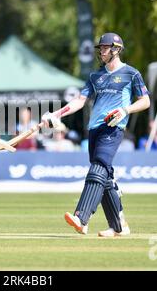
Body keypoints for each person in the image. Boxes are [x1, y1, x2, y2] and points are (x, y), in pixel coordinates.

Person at [42, 32, 150, 237]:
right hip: (94, 129)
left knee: (98, 168)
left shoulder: (131, 73)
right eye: (100, 48)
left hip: (114, 127)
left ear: (116, 49)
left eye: (105, 48)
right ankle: (119, 226)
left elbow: (145, 101)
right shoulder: (95, 76)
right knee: (105, 176)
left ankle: (82, 218)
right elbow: (79, 101)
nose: (101, 51)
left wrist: (125, 110)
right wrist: (57, 114)